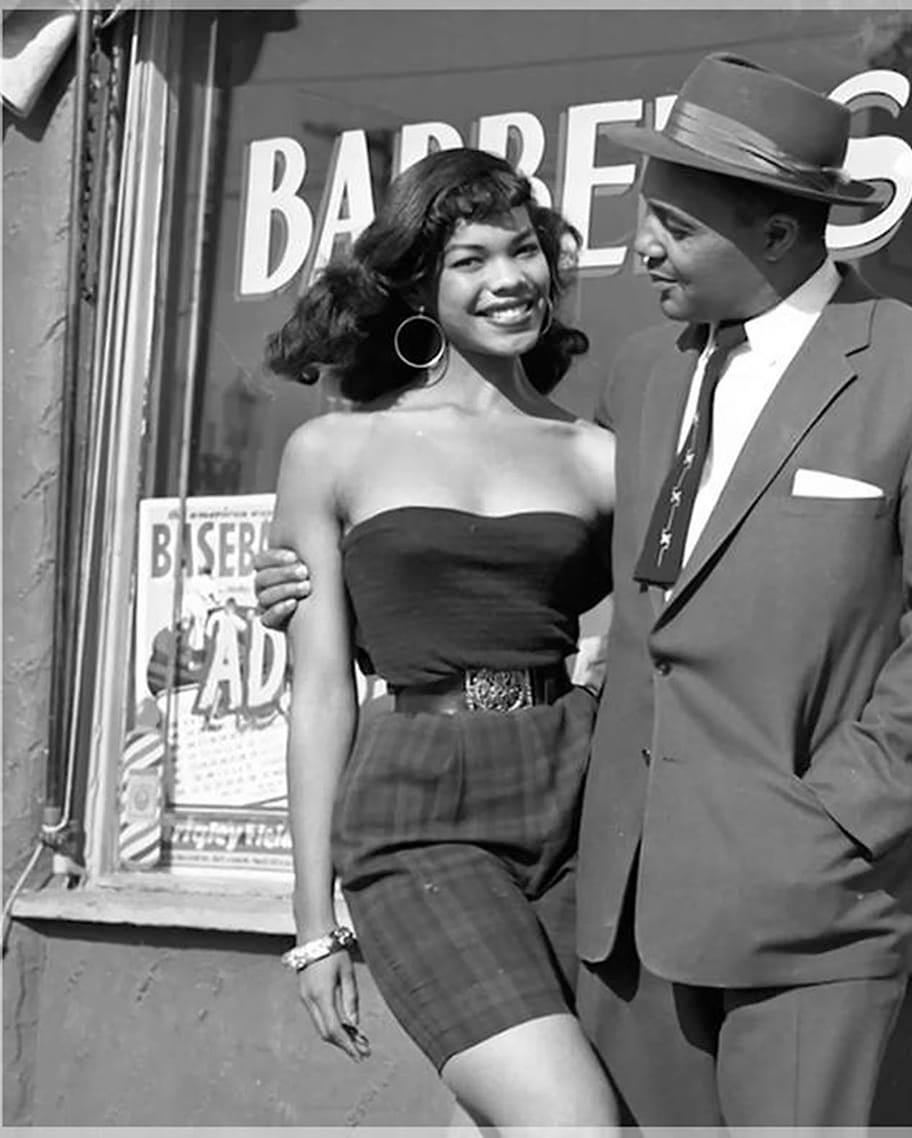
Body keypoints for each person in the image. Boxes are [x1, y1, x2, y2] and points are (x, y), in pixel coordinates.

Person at [257, 53, 912, 1126]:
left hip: (784, 879)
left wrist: (848, 815)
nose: (641, 247)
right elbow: (507, 592)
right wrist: (314, 587)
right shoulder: (646, 379)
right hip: (601, 873)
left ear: (775, 233)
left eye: (672, 221)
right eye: (643, 215)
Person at [260, 146, 619, 1130]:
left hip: (581, 790)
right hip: (421, 804)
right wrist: (310, 924)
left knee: (519, 1115)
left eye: (524, 250)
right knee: (571, 1121)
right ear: (419, 281)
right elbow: (323, 690)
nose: (509, 279)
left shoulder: (597, 458)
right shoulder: (335, 448)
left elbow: (656, 629)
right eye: (471, 259)